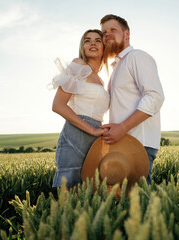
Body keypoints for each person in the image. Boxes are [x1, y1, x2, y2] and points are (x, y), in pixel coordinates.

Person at [100, 14, 165, 185]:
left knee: (138, 204)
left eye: (113, 30)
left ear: (127, 34)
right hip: (122, 142)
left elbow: (155, 97)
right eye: (104, 32)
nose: (107, 34)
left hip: (138, 143)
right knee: (127, 205)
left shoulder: (137, 57)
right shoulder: (116, 67)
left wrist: (122, 128)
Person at [50, 29, 110, 188]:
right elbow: (58, 105)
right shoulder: (78, 64)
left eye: (98, 40)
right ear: (82, 47)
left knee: (91, 193)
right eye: (87, 40)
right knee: (70, 195)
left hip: (96, 139)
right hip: (76, 135)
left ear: (104, 47)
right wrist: (92, 130)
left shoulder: (102, 81)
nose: (92, 43)